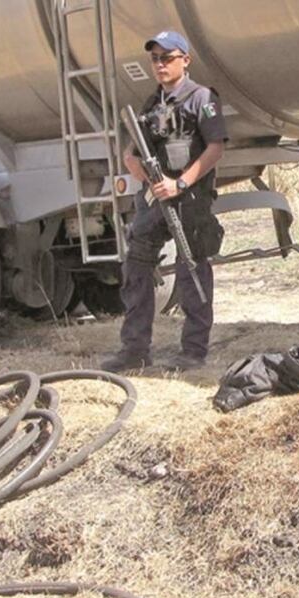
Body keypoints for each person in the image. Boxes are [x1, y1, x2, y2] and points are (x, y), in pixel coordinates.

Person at [102, 30, 228, 373]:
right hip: (155, 201)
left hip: (189, 199)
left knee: (192, 271)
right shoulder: (151, 104)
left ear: (184, 60)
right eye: (155, 59)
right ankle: (134, 350)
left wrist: (180, 182)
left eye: (167, 58)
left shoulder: (202, 98)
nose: (160, 65)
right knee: (136, 269)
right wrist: (135, 166)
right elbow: (133, 150)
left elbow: (215, 148)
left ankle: (193, 351)